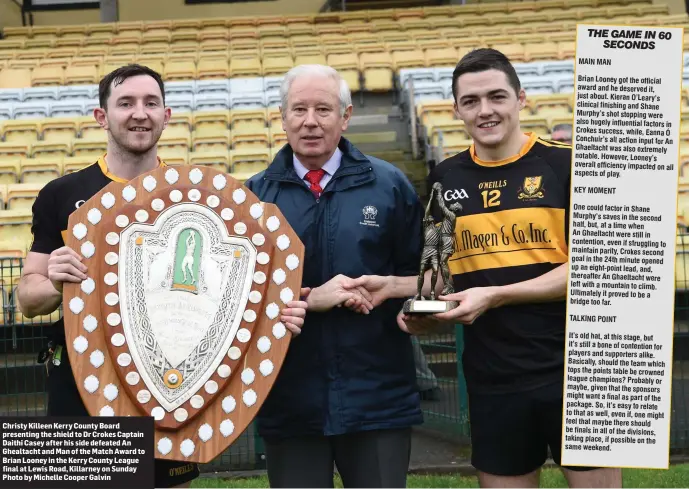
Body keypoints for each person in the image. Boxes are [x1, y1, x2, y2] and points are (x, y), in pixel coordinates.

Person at [15, 64, 307, 489]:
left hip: (174, 386)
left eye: (151, 103)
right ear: (102, 117)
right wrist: (56, 280)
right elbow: (27, 298)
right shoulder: (62, 194)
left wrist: (279, 316)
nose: (140, 113)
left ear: (166, 116)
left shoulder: (201, 198)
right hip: (82, 378)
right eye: (126, 103)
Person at [347, 49, 622, 488]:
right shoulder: (445, 177)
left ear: (521, 99)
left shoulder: (568, 166)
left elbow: (597, 270)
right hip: (493, 375)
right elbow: (444, 268)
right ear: (456, 109)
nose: (485, 110)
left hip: (579, 370)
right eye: (471, 101)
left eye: (497, 96)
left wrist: (497, 295)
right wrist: (398, 288)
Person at [244, 64, 425, 488]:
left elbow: (425, 276)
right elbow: (235, 304)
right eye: (299, 109)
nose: (310, 121)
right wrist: (309, 300)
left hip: (378, 397)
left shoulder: (391, 185)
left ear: (345, 117)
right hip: (290, 400)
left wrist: (407, 306)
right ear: (282, 116)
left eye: (323, 109)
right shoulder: (252, 199)